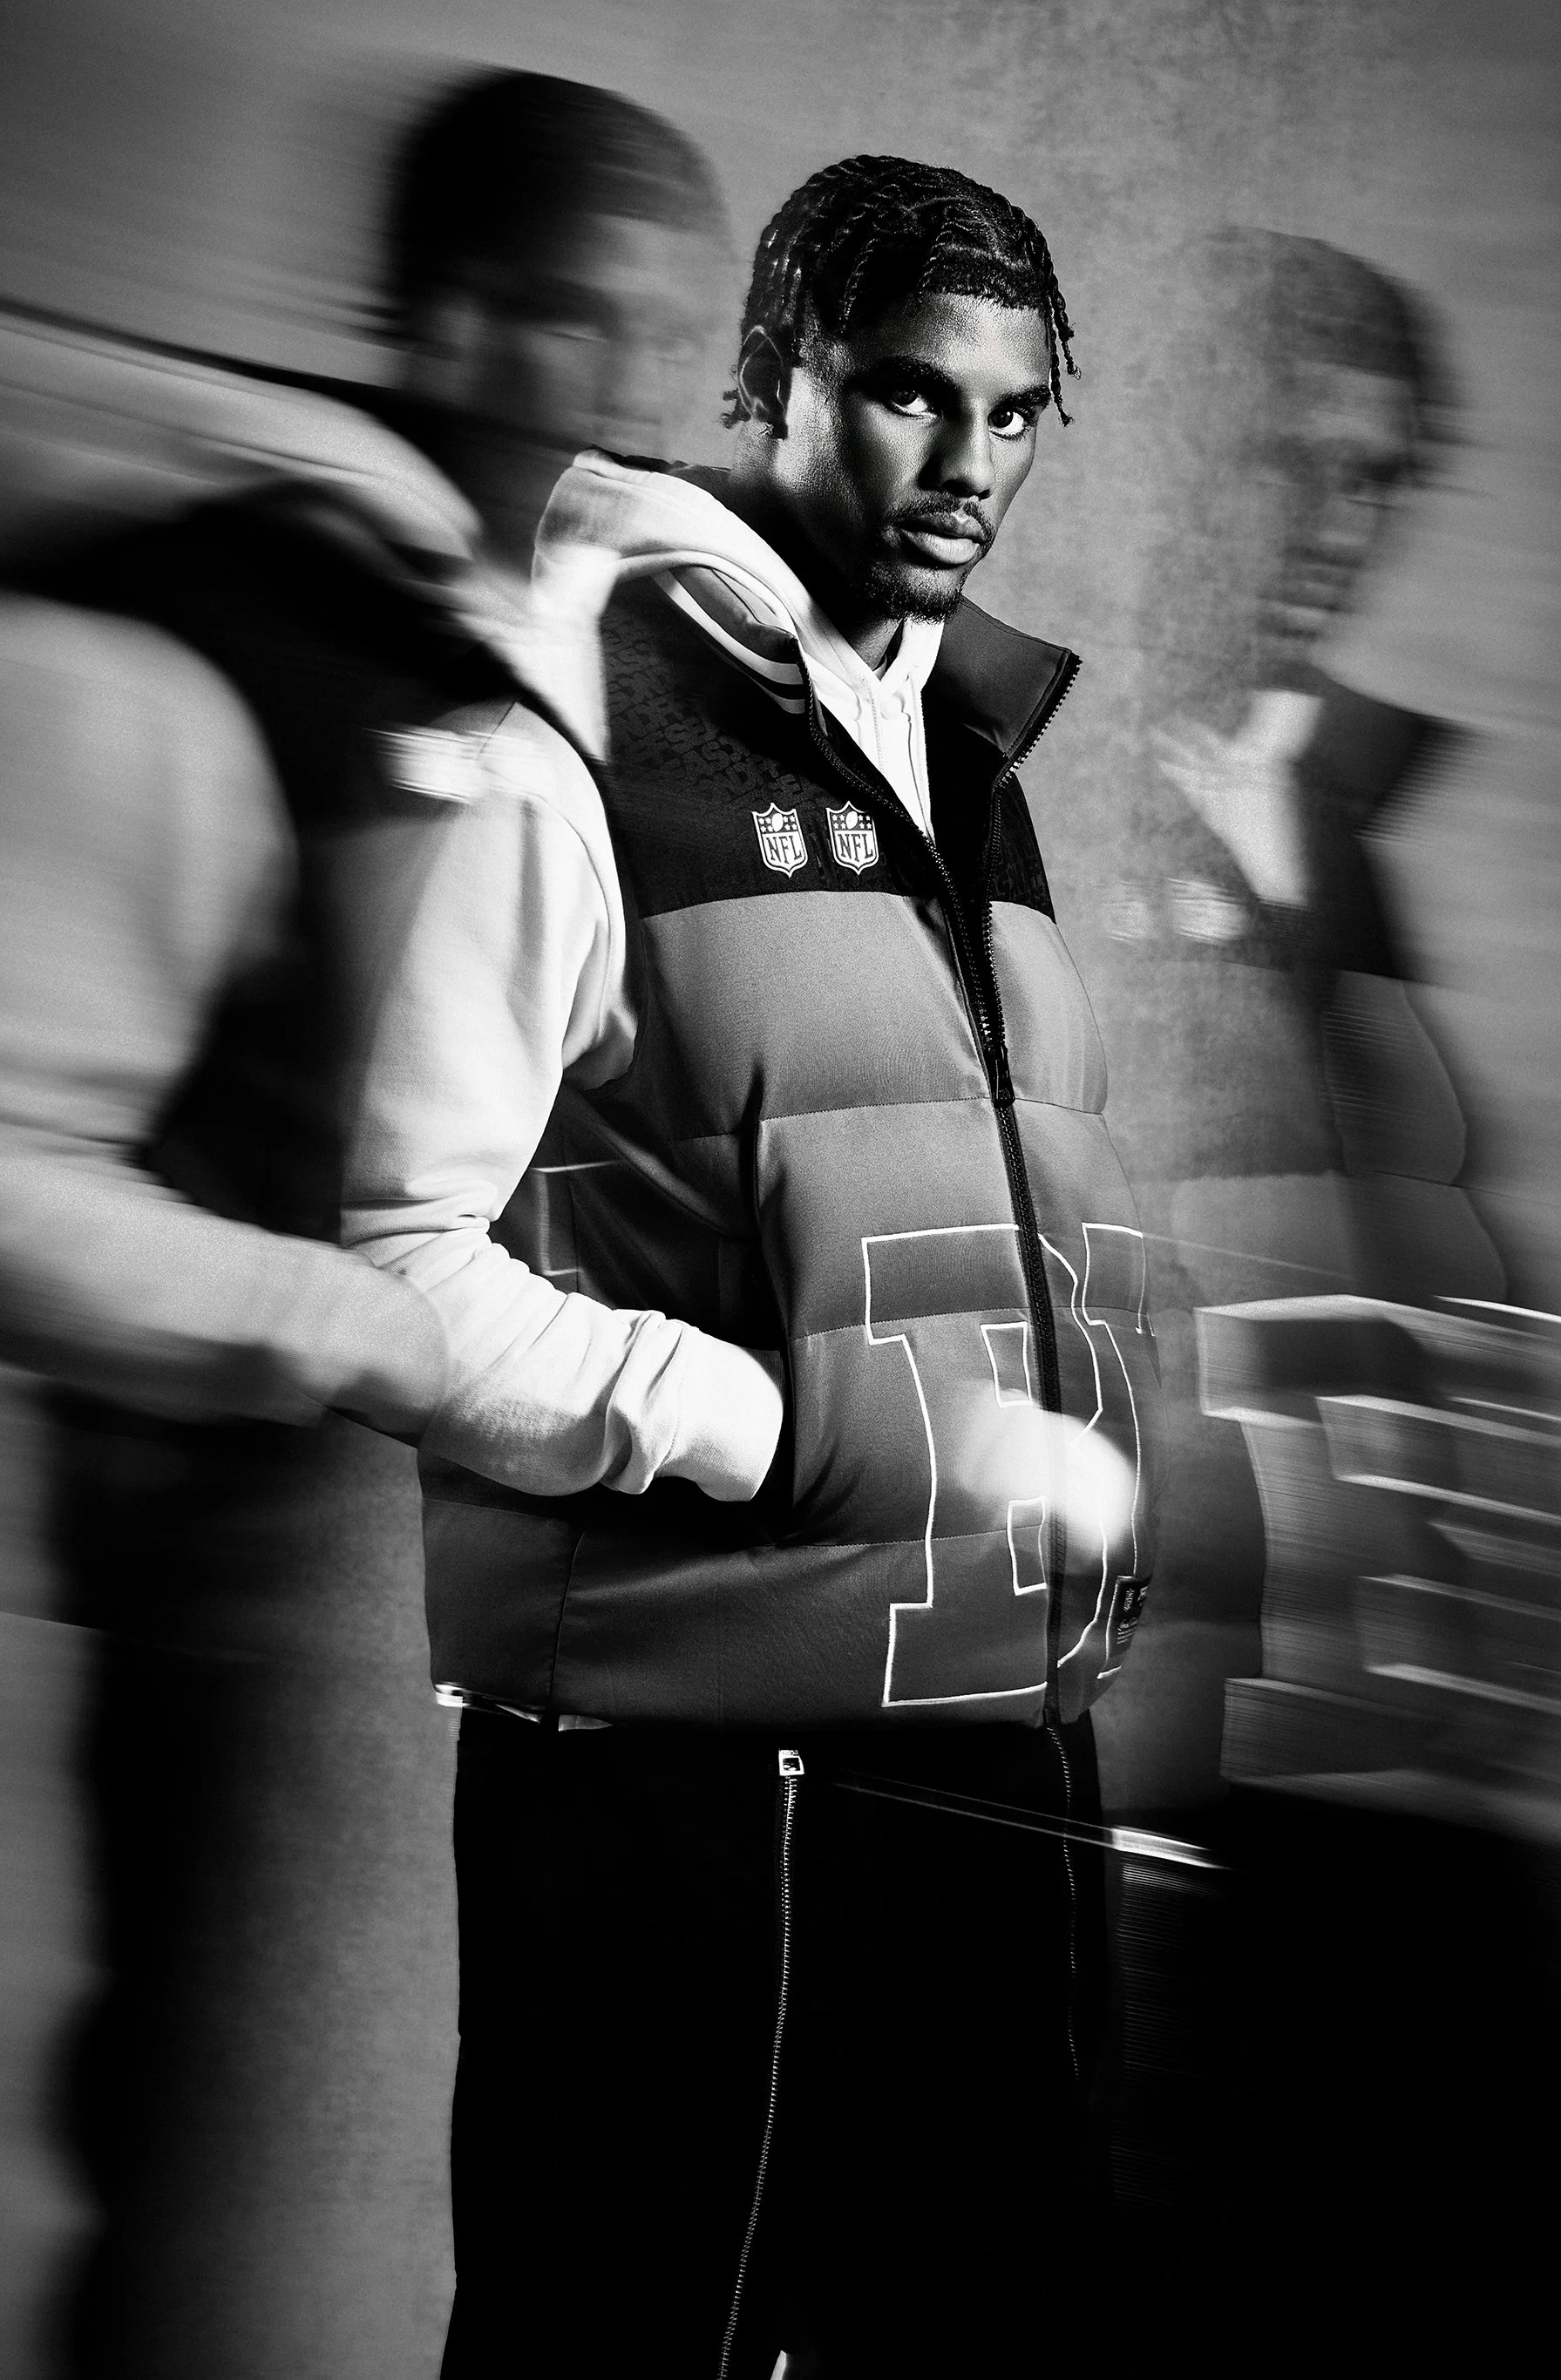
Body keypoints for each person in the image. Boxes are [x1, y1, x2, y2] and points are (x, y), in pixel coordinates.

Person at [344, 153, 1163, 2377]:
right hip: (688, 1774)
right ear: (776, 369)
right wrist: (782, 1435)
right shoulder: (566, 724)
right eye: (909, 396)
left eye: (1014, 413)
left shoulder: (968, 757)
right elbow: (390, 1264)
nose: (966, 468)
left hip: (989, 1738)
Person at [0, 71, 727, 2375]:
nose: (631, 398)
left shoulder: (551, 642)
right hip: (275, 1559)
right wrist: (389, 1339)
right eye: (575, 327)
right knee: (270, 2290)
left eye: (667, 341)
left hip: (496, 1572)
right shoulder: (187, 621)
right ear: (437, 310)